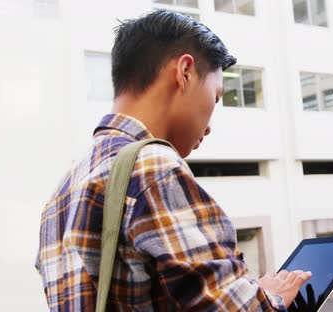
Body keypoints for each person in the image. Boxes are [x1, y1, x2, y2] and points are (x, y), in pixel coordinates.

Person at [35, 10, 311, 311]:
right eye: (216, 97)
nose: (209, 125)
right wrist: (271, 299)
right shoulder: (153, 166)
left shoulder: (63, 190)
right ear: (185, 72)